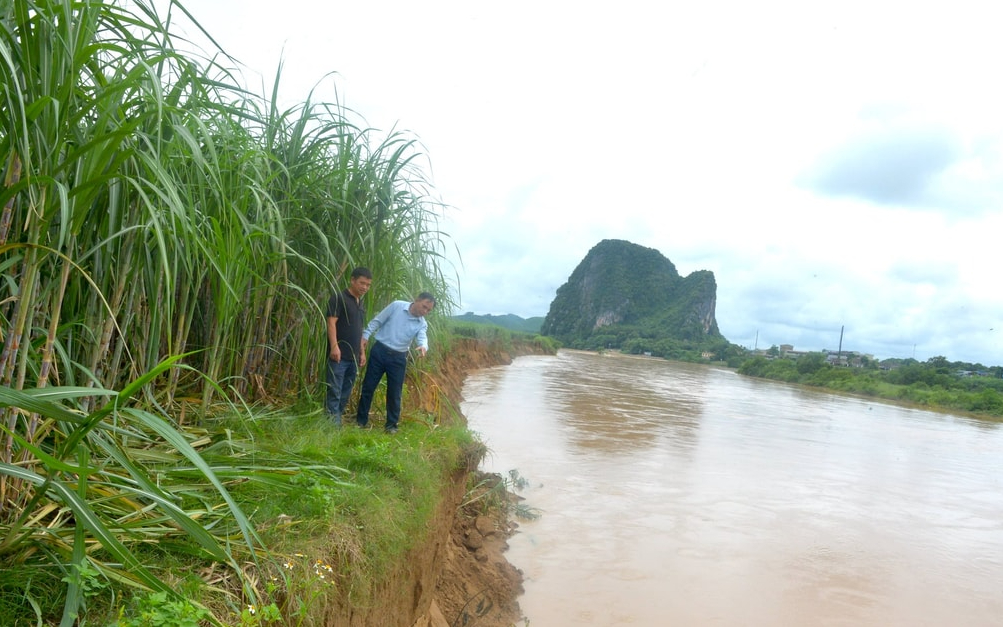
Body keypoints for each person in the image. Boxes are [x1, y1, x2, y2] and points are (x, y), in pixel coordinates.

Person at [355, 292, 436, 433]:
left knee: (395, 392)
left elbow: (423, 338)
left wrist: (423, 347)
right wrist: (366, 335)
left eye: (428, 310)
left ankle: (391, 426)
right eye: (424, 307)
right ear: (416, 300)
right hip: (379, 351)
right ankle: (361, 421)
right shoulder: (397, 306)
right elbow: (378, 320)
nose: (425, 312)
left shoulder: (422, 324)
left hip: (398, 358)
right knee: (368, 386)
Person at [325, 267, 373, 426]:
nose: (364, 287)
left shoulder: (360, 303)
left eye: (368, 285)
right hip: (338, 355)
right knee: (335, 390)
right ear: (352, 280)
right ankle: (332, 427)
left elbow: (359, 329)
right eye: (362, 283)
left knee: (345, 392)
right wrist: (334, 346)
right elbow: (331, 323)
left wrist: (362, 352)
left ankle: (334, 420)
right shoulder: (339, 298)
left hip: (353, 357)